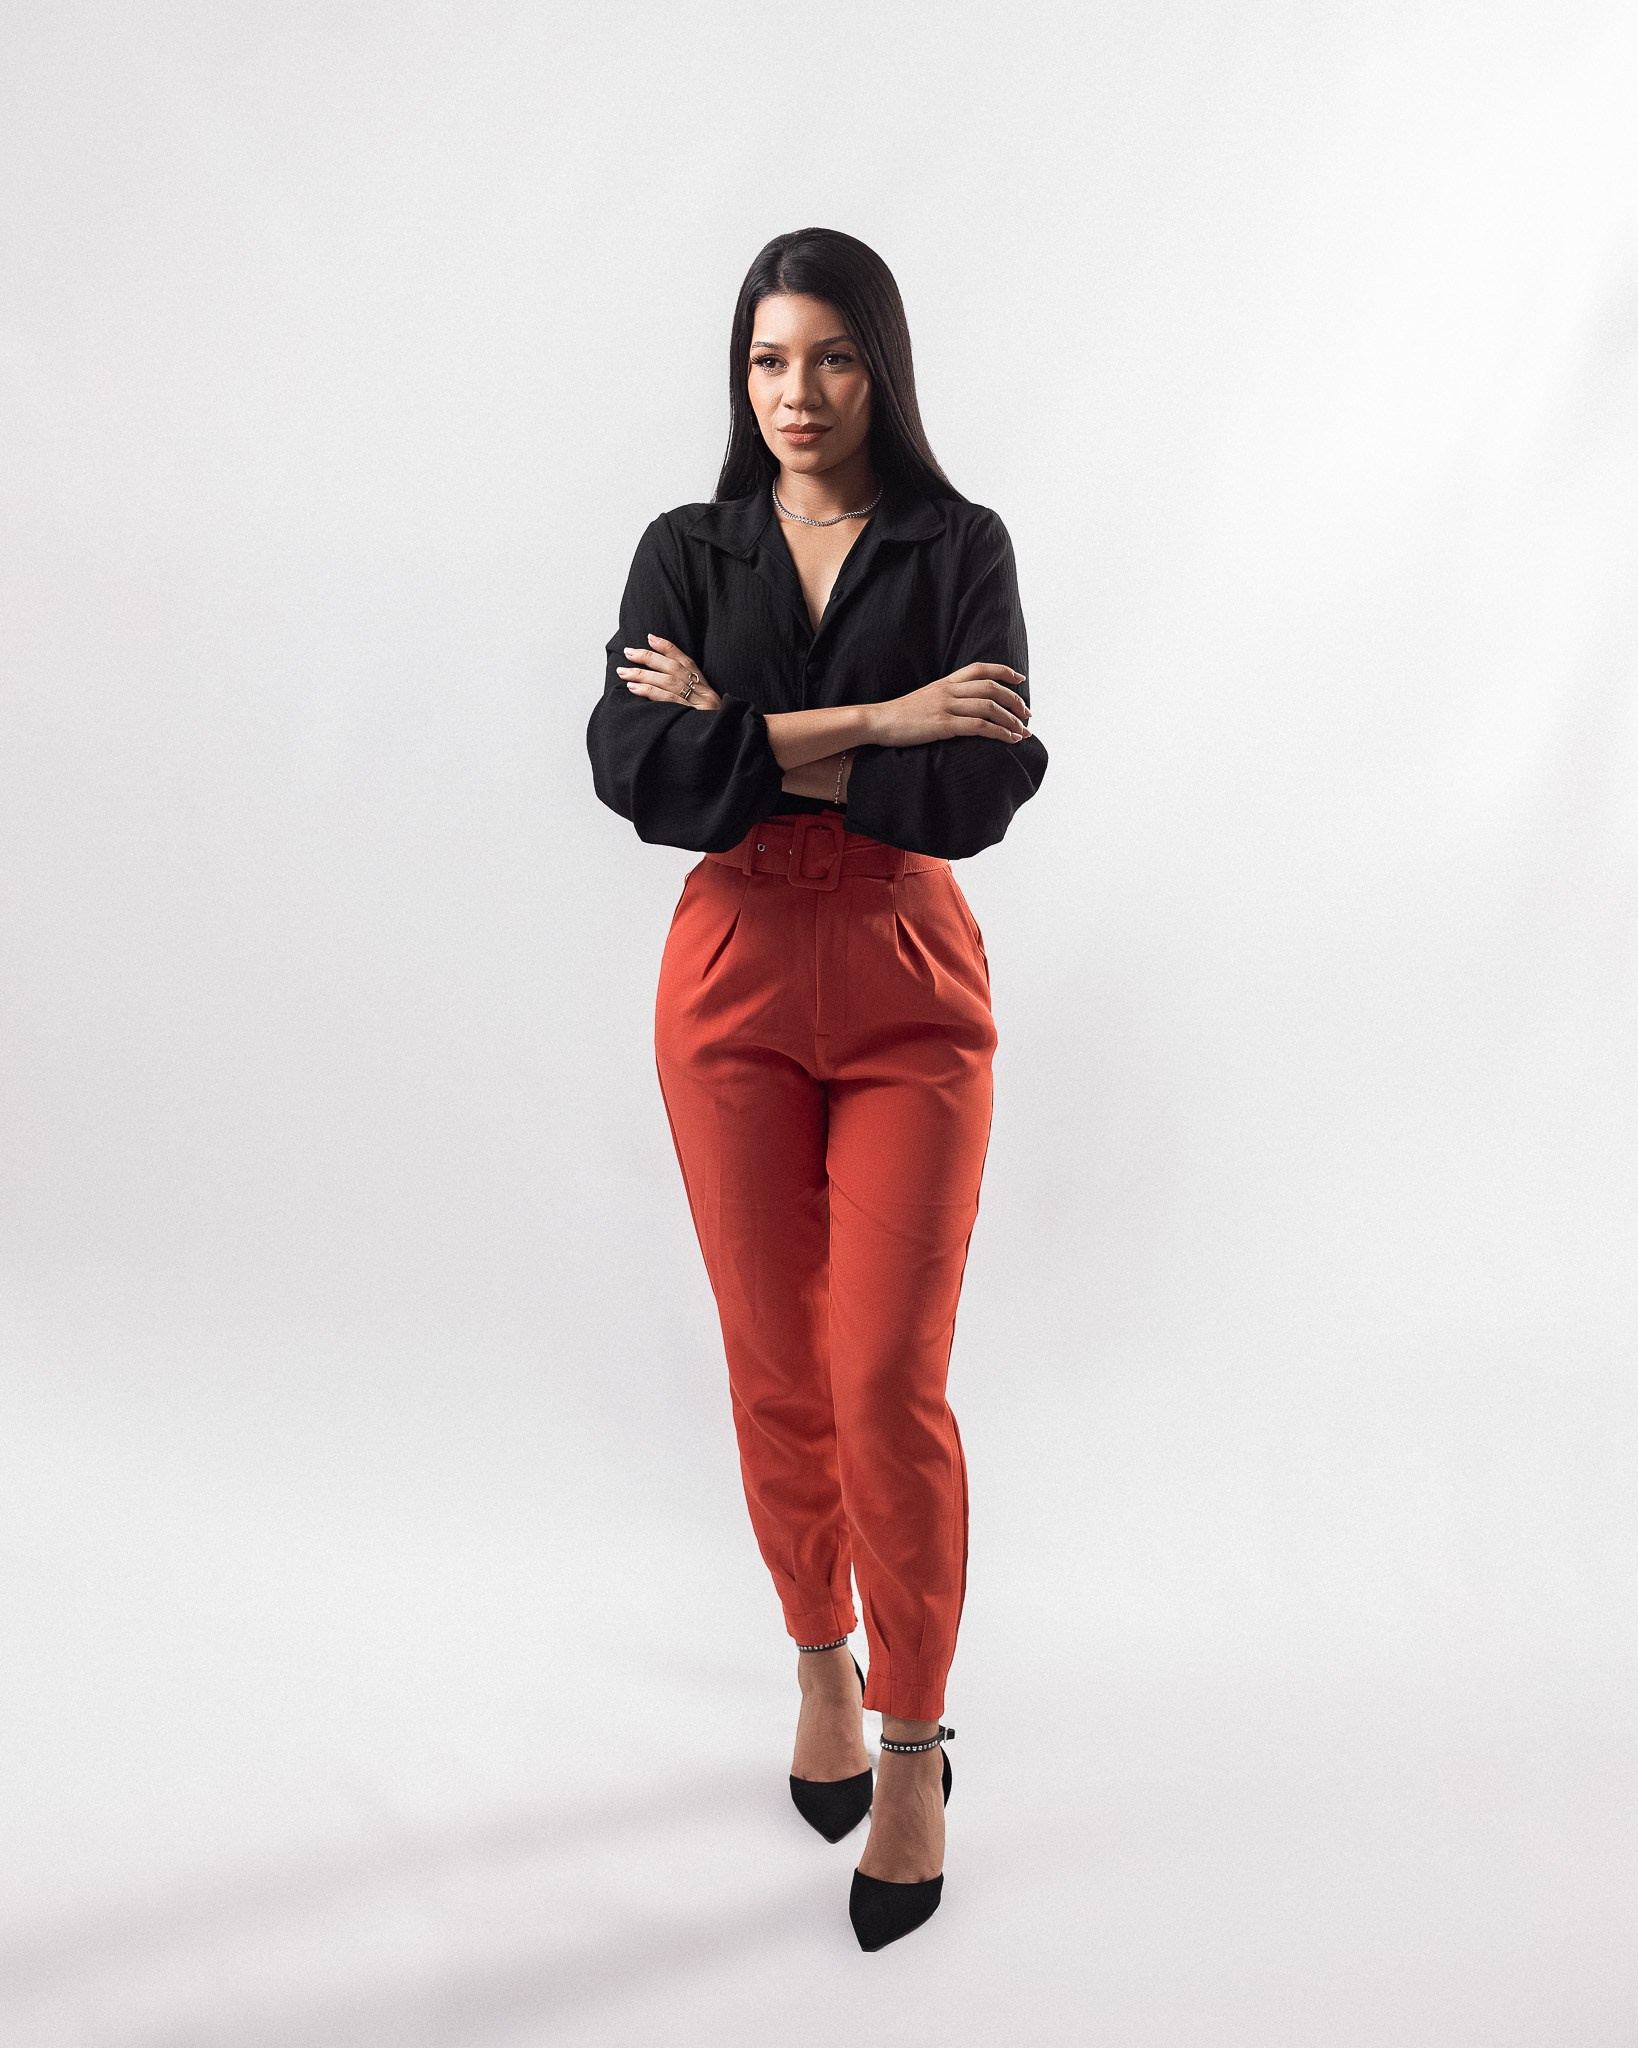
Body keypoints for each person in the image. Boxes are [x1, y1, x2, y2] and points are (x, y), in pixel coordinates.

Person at [586, 225, 1047, 1951]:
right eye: (769, 361)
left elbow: (981, 787)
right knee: (777, 1367)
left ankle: (914, 1746)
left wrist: (753, 735)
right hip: (729, 979)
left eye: (832, 358)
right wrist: (886, 718)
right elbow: (637, 770)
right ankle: (820, 1664)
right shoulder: (685, 549)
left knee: (883, 1379)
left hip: (908, 973)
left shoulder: (958, 544)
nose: (797, 393)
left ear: (881, 369)